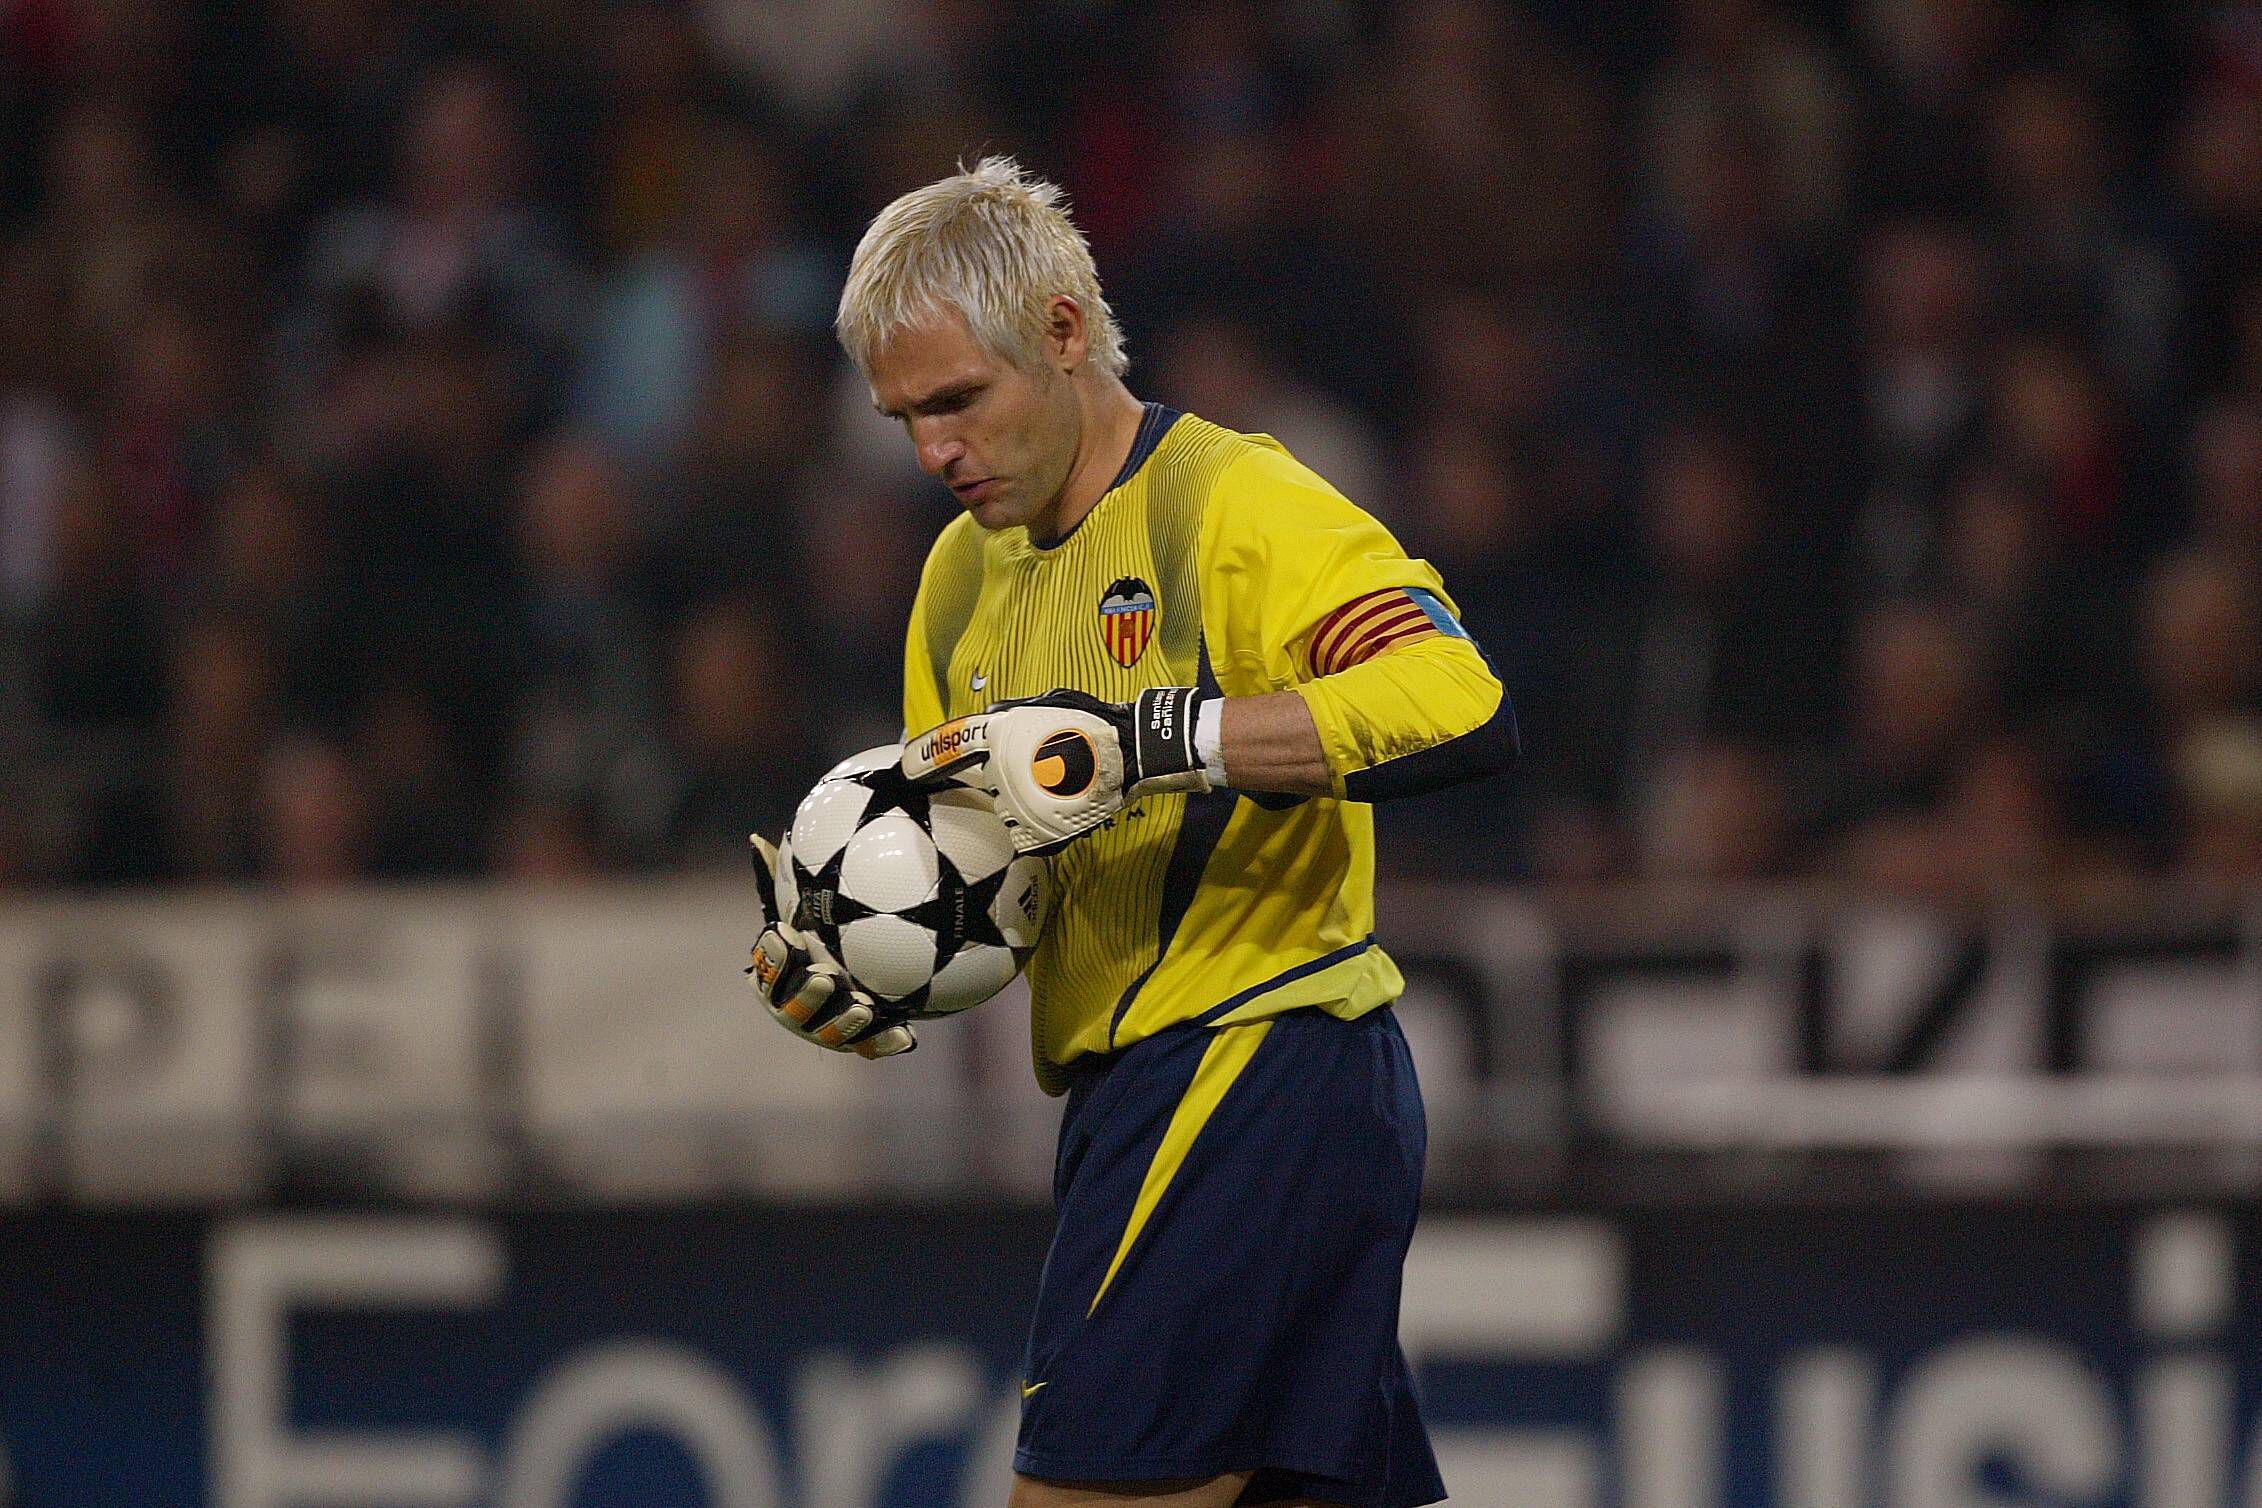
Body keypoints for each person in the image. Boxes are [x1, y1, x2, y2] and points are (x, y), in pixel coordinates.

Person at [747, 158, 1516, 1508]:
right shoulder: (952, 581)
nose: (933, 452)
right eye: (904, 418)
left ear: (1058, 332)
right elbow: (982, 867)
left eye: (956, 402)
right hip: (1157, 1097)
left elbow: (1461, 705)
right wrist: (866, 959)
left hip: (1246, 1060)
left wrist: (1174, 739)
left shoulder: (1230, 504)